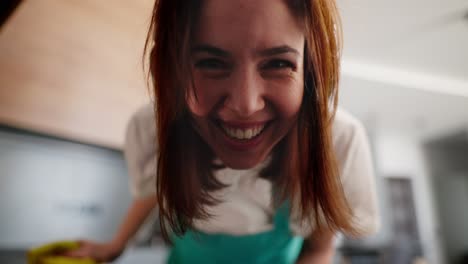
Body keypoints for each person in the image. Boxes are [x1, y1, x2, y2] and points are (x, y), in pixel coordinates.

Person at [65, 0, 380, 263]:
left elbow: (319, 248)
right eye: (211, 62)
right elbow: (152, 190)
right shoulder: (152, 128)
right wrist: (116, 244)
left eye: (279, 64)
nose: (245, 105)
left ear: (312, 69)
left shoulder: (337, 144)